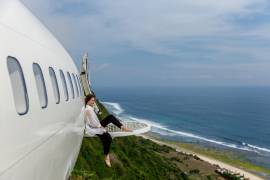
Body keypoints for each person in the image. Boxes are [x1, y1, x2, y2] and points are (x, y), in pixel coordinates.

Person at [84, 94, 131, 167]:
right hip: (94, 128)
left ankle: (122, 127)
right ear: (88, 100)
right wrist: (101, 128)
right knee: (108, 138)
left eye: (94, 100)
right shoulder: (88, 110)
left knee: (110, 117)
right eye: (92, 100)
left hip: (96, 125)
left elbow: (94, 120)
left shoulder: (89, 107)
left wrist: (100, 125)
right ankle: (106, 157)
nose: (94, 102)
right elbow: (93, 122)